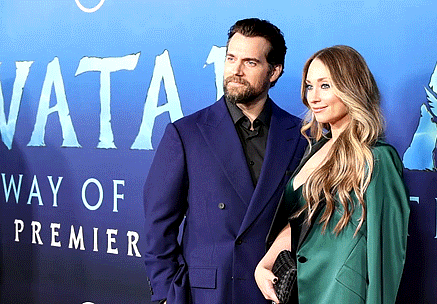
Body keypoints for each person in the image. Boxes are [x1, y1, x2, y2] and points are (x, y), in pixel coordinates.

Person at [143, 18, 307, 304]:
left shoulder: (303, 137)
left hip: (275, 292)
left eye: (250, 62)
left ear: (274, 71)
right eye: (231, 58)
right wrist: (168, 294)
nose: (236, 71)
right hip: (207, 295)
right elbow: (159, 228)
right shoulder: (186, 134)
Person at [255, 45, 410, 304]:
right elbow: (300, 221)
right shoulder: (314, 149)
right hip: (299, 292)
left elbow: (386, 256)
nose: (313, 97)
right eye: (309, 86)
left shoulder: (377, 158)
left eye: (325, 86)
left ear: (352, 88)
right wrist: (265, 264)